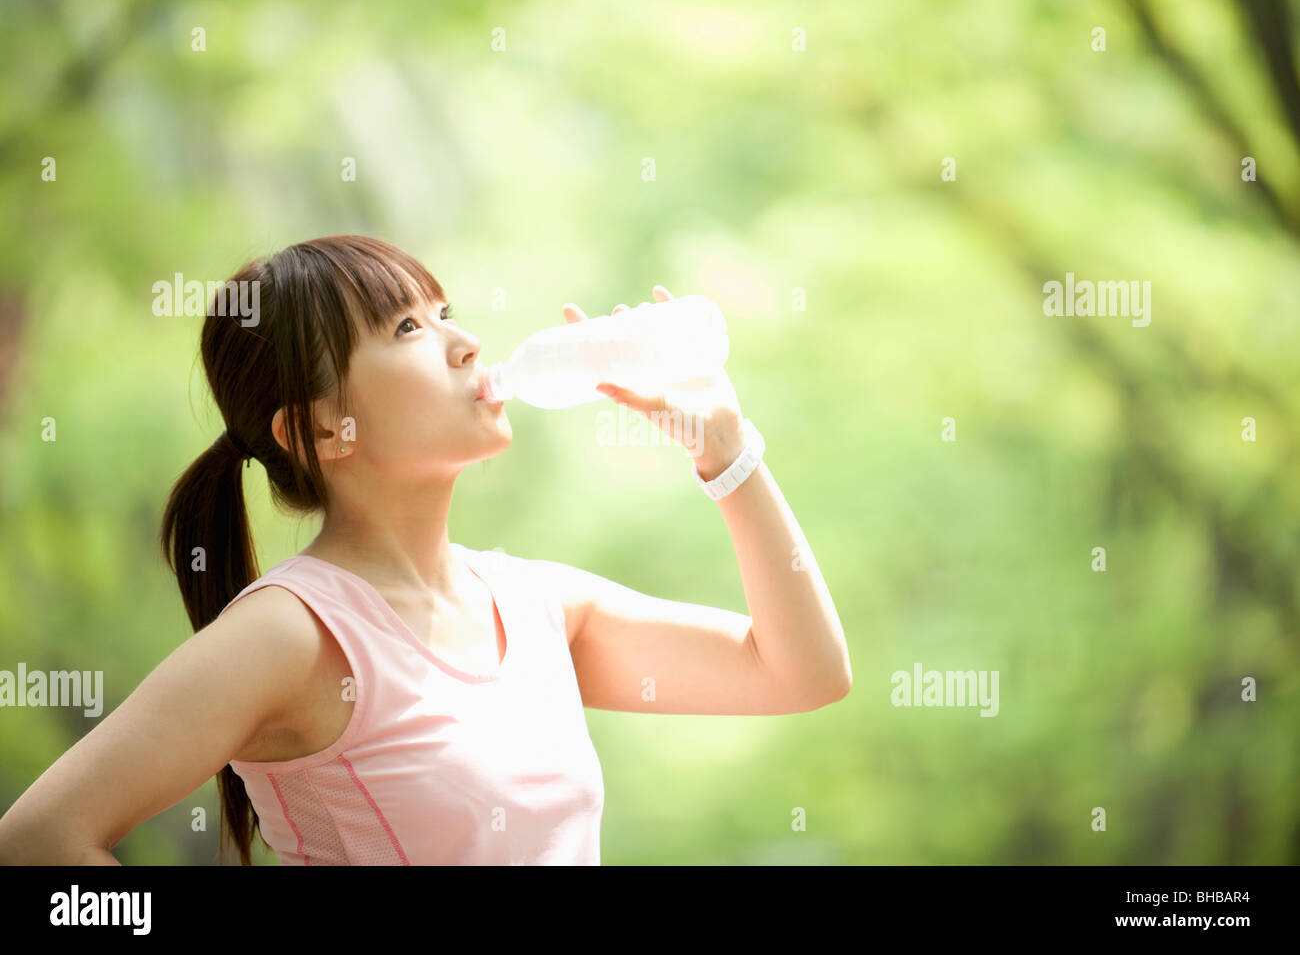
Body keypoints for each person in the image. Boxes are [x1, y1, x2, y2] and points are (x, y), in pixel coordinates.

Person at [0, 234, 852, 865]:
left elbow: (801, 672)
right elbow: (38, 841)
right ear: (320, 428)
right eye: (406, 327)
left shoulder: (537, 606)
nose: (467, 342)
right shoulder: (293, 637)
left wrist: (726, 452)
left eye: (444, 312)